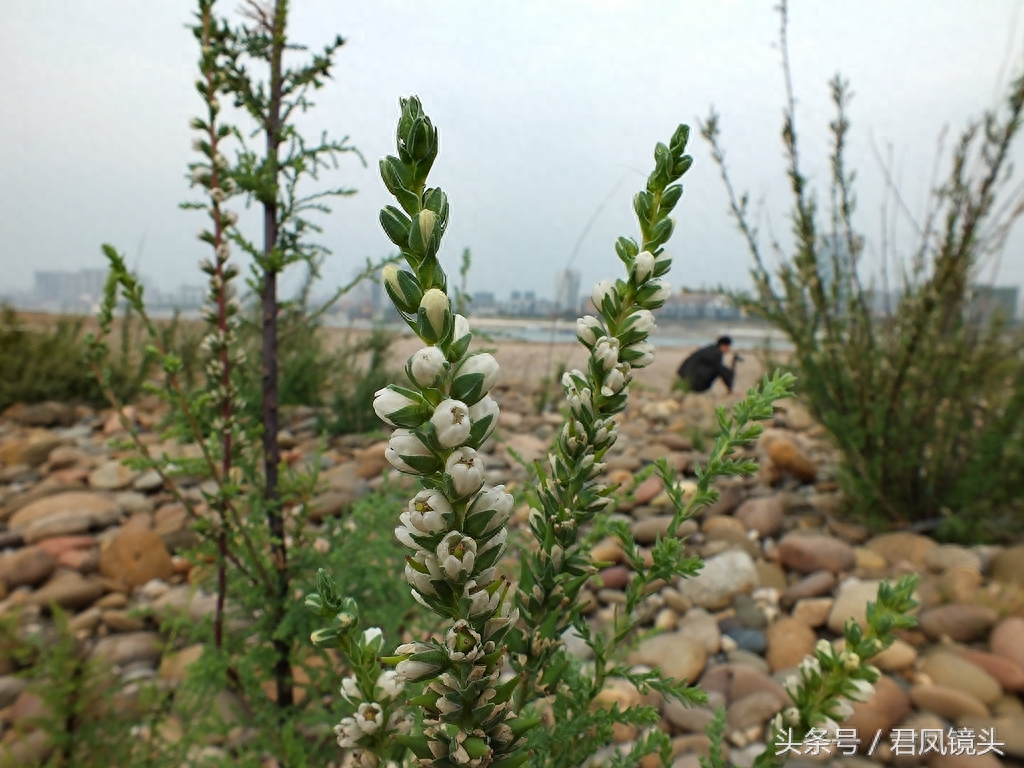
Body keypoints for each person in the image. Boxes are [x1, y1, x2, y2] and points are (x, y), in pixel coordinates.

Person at [676, 335, 740, 394]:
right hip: (692, 381)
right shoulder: (716, 353)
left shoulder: (710, 349)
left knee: (720, 369)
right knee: (719, 370)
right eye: (728, 346)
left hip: (683, 377)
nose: (729, 349)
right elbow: (720, 370)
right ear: (723, 345)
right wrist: (730, 387)